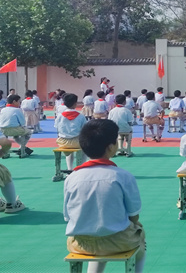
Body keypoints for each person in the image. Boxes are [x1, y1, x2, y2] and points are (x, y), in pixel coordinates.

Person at [63, 119, 146, 273]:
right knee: (140, 237)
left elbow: (68, 216)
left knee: (97, 236)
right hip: (119, 241)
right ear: (111, 147)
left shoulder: (72, 177)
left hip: (80, 243)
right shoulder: (123, 176)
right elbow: (134, 216)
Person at [55, 93, 87, 170]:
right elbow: (85, 130)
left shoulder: (59, 116)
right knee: (86, 148)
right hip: (77, 142)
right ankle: (80, 167)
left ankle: (69, 169)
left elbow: (57, 128)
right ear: (75, 103)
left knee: (69, 152)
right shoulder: (81, 116)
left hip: (62, 142)